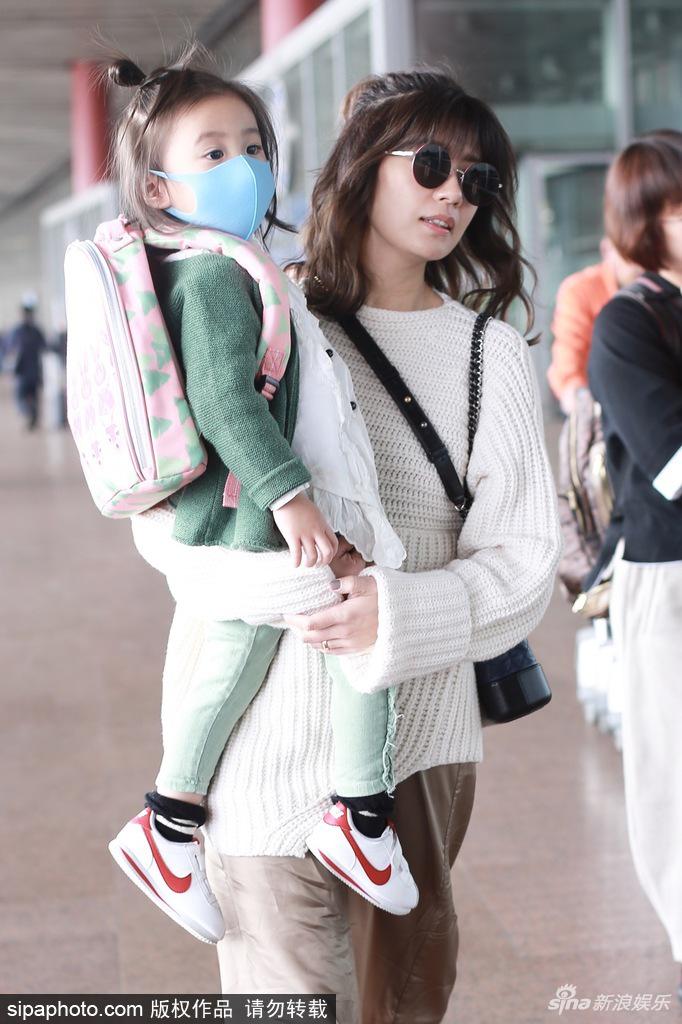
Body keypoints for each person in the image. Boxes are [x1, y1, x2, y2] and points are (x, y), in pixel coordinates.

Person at [132, 67, 561, 1021]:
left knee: (401, 1003)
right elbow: (160, 517)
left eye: (478, 179)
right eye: (433, 164)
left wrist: (395, 611)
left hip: (411, 748)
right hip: (253, 742)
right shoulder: (256, 302)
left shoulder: (488, 351)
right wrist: (292, 592)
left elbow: (527, 561)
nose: (455, 194)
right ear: (366, 165)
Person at [102, 48, 419, 947]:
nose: (243, 166)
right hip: (252, 507)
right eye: (213, 153)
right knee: (365, 614)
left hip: (231, 510)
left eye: (252, 146)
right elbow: (225, 401)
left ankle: (168, 824)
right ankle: (359, 815)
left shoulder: (224, 260)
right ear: (157, 188)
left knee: (238, 652)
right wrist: (293, 499)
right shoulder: (211, 276)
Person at [589, 130, 682, 1004]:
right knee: (674, 775)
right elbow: (672, 461)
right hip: (669, 575)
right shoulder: (629, 323)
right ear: (646, 222)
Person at [547, 238, 641, 414]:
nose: (642, 261)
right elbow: (568, 365)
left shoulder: (665, 285)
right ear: (607, 249)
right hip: (603, 408)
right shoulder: (580, 290)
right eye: (633, 251)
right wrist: (581, 400)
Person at [6, 302, 45, 429]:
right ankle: (31, 414)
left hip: (28, 372)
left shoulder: (22, 332)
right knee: (25, 398)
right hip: (26, 371)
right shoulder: (30, 331)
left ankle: (31, 415)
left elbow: (9, 349)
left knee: (23, 397)